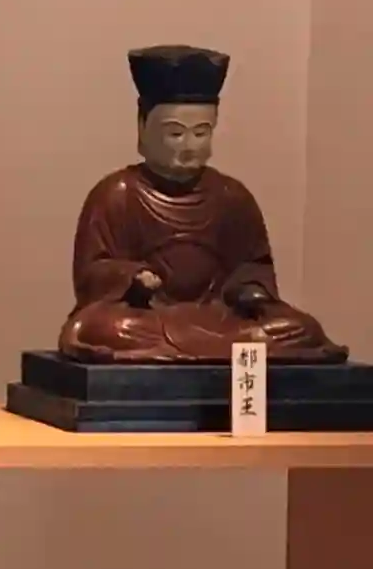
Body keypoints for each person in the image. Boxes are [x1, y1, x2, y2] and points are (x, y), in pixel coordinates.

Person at [59, 45, 345, 363]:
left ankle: (206, 353)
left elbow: (254, 266)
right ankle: (218, 353)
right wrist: (133, 278)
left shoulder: (231, 196)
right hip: (149, 318)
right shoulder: (117, 194)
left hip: (220, 317)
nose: (188, 146)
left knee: (300, 328)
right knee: (106, 327)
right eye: (175, 133)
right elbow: (91, 273)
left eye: (200, 133)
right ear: (142, 127)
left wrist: (251, 290)